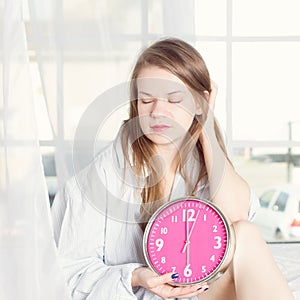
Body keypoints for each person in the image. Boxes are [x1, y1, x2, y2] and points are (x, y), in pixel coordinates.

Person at [51, 38, 294, 300]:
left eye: (174, 99)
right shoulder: (101, 176)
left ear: (200, 103)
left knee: (245, 234)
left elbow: (236, 222)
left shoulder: (205, 163)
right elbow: (68, 274)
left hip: (203, 292)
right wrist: (137, 276)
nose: (157, 112)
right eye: (146, 100)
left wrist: (207, 128)